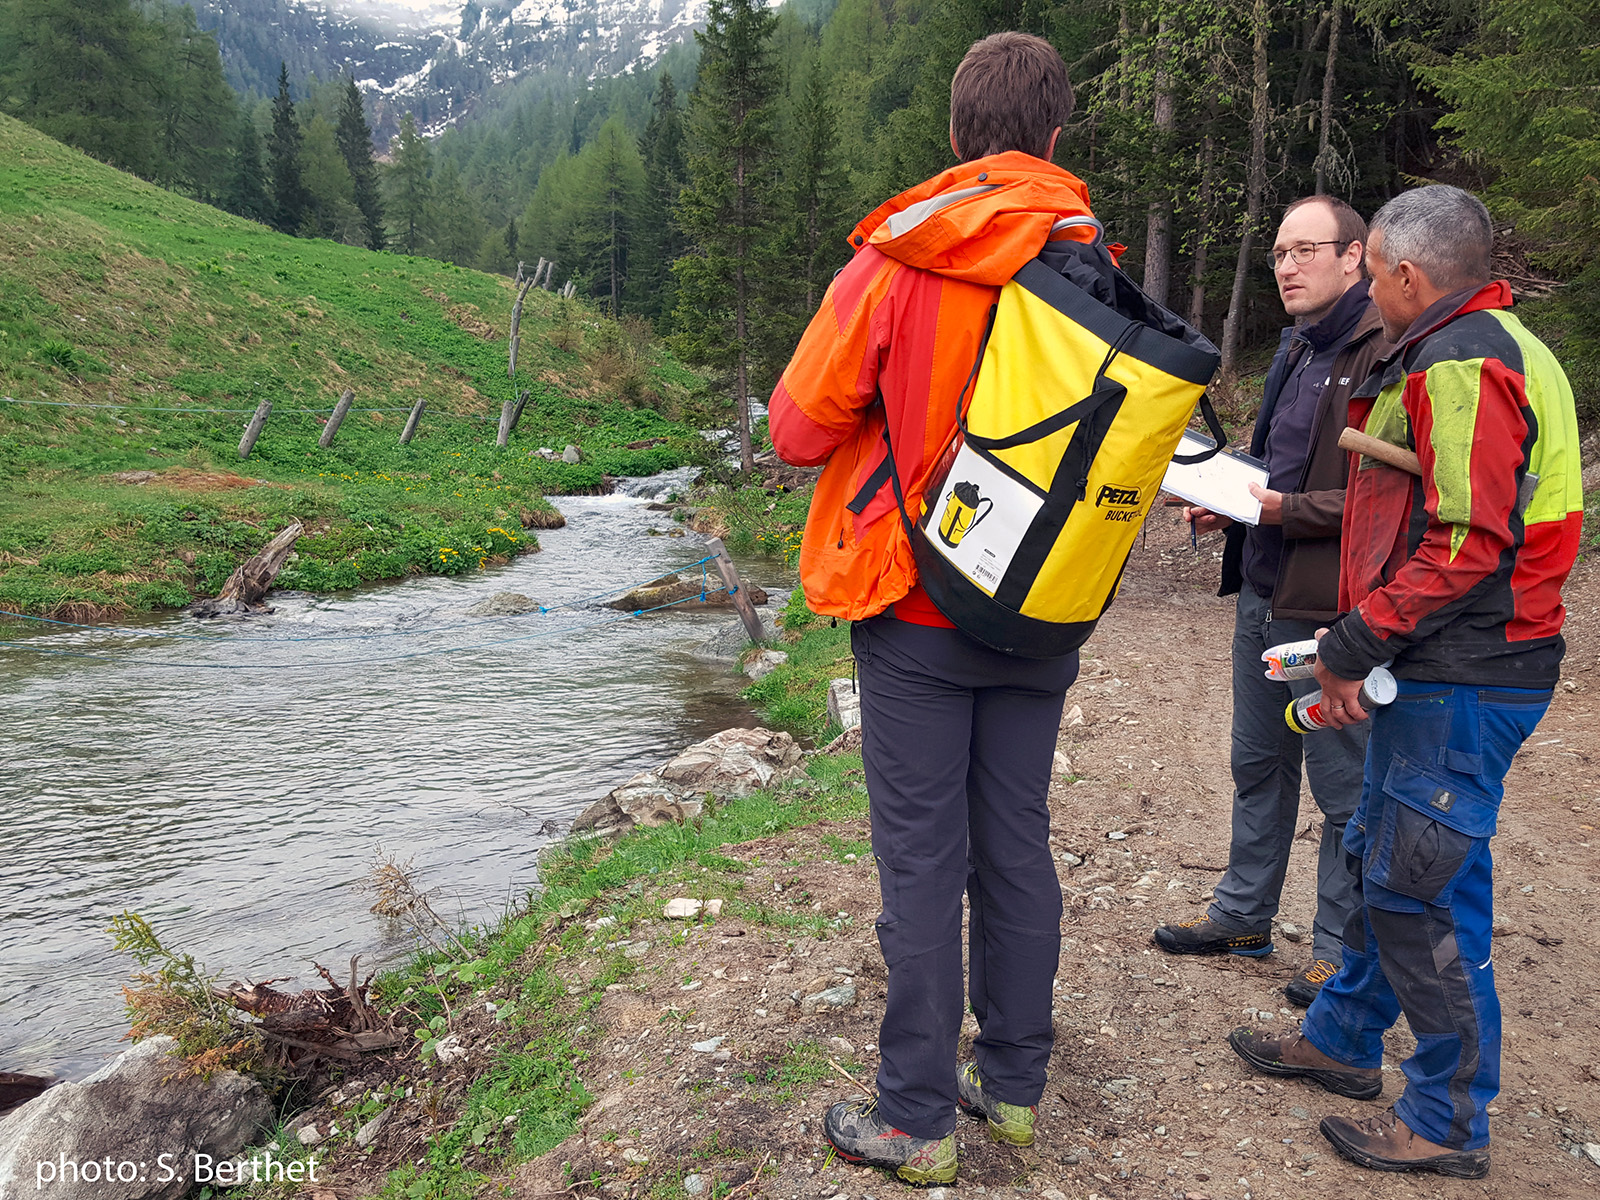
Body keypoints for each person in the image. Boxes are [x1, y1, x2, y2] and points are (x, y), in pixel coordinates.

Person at [769, 32, 1101, 1186]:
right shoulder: (1090, 268)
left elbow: (795, 427)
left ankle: (914, 1117)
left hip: (915, 601)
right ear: (1053, 137)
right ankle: (1010, 1086)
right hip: (1040, 604)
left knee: (921, 862)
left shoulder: (903, 256)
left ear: (957, 137)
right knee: (1015, 844)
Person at [1225, 185, 1582, 1179]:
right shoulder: (1495, 344)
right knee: (1390, 861)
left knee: (1422, 893)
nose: (1371, 293)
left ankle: (1447, 1117)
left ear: (1408, 276)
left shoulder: (1463, 360)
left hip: (1470, 669)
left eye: (1376, 274)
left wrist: (1352, 643)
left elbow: (1467, 540)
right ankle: (1342, 1039)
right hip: (1447, 661)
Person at [1153, 196, 1391, 1009]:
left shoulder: (1383, 350)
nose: (1287, 267)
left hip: (1328, 607)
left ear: (1354, 255)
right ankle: (1243, 915)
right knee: (1258, 760)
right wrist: (1233, 504)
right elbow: (1276, 468)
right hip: (1262, 585)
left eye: (1305, 250)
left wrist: (1286, 510)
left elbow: (1387, 498)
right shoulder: (1298, 343)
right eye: (1280, 254)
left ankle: (1339, 951)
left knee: (1343, 784)